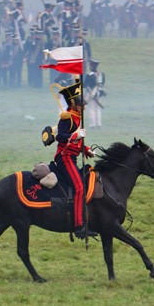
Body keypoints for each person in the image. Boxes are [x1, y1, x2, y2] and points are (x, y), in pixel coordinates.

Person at [54, 82, 95, 239]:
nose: (84, 107)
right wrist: (75, 136)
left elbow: (77, 143)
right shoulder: (68, 118)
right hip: (65, 157)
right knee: (79, 188)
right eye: (81, 104)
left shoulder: (78, 118)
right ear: (74, 104)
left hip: (73, 156)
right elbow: (60, 137)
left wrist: (86, 150)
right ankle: (79, 226)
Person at [84, 59, 106, 128]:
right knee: (97, 109)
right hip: (99, 93)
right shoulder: (101, 74)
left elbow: (85, 85)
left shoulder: (89, 75)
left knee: (92, 109)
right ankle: (98, 124)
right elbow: (102, 83)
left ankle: (93, 124)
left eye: (90, 65)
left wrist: (91, 92)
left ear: (92, 66)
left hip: (91, 94)